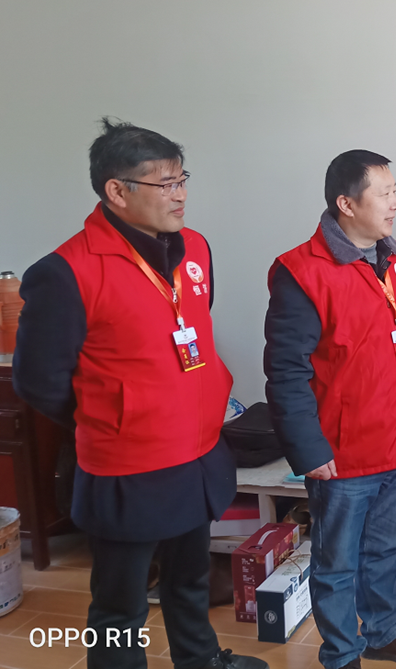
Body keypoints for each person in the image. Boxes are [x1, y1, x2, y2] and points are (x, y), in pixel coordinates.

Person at [13, 118, 265, 669]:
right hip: (128, 466)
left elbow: (190, 327)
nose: (180, 195)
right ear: (117, 191)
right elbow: (39, 381)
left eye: (182, 180)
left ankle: (200, 661)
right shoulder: (65, 272)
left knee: (190, 580)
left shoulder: (195, 249)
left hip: (198, 452)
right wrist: (118, 415)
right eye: (164, 183)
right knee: (120, 605)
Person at [264, 150, 396, 669]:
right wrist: (308, 449)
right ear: (346, 203)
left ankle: (384, 631)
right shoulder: (301, 272)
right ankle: (342, 654)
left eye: (394, 191)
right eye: (384, 194)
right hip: (342, 453)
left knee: (385, 550)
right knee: (336, 562)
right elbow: (286, 371)